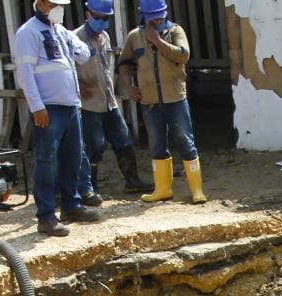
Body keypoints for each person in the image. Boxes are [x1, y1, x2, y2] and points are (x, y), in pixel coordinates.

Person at [13, 0, 102, 236]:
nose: (59, 9)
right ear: (41, 3)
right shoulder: (28, 32)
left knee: (72, 157)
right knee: (46, 160)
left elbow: (82, 56)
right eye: (55, 4)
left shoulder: (60, 30)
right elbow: (25, 72)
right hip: (49, 107)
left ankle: (71, 206)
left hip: (70, 104)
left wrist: (76, 43)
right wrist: (36, 106)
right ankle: (46, 216)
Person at [117, 0, 206, 204]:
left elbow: (183, 55)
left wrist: (157, 41)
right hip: (150, 101)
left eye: (161, 16)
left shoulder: (175, 31)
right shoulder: (134, 37)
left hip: (175, 97)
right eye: (154, 17)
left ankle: (197, 190)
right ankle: (163, 189)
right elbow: (124, 63)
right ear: (144, 16)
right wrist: (129, 87)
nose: (158, 20)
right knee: (157, 144)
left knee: (185, 141)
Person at [72, 0, 153, 201]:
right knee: (94, 146)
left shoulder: (105, 37)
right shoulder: (75, 38)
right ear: (88, 14)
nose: (101, 21)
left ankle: (132, 180)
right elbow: (66, 68)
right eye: (97, 17)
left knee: (123, 140)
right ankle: (90, 187)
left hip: (108, 100)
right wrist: (77, 86)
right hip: (89, 103)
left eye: (105, 18)